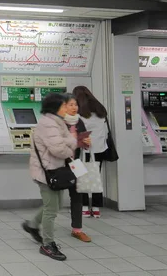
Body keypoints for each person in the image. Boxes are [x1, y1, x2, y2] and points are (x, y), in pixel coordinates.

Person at [22, 93, 78, 261]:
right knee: (51, 209)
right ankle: (47, 244)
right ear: (55, 108)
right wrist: (70, 149)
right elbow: (59, 149)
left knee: (55, 205)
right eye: (64, 106)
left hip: (54, 170)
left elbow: (69, 141)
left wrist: (69, 143)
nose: (67, 108)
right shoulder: (48, 124)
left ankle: (32, 225)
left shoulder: (57, 122)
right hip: (46, 172)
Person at [73, 86, 110, 218]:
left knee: (81, 178)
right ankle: (96, 208)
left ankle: (84, 208)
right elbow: (105, 132)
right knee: (96, 178)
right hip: (99, 149)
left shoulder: (79, 114)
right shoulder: (100, 111)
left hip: (81, 150)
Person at [64, 94, 92, 242]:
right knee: (52, 199)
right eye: (71, 104)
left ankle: (77, 229)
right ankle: (37, 224)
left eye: (76, 104)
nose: (74, 107)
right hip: (59, 164)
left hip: (76, 163)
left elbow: (84, 142)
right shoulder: (57, 122)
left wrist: (87, 142)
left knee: (77, 196)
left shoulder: (79, 121)